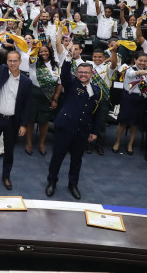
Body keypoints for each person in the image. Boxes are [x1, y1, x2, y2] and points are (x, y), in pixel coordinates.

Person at [45, 42, 103, 200]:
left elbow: (96, 113)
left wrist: (94, 132)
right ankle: (52, 182)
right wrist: (69, 57)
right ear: (77, 73)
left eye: (86, 72)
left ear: (91, 74)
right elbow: (64, 74)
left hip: (82, 130)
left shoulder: (97, 91)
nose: (83, 75)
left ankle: (73, 184)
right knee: (57, 157)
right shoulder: (71, 83)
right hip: (65, 128)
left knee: (76, 160)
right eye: (81, 72)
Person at [0, 39, 32, 190]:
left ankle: (6, 176)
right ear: (7, 62)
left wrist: (23, 124)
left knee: (9, 151)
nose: (12, 64)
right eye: (10, 61)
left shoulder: (26, 82)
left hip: (13, 121)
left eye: (15, 61)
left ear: (20, 62)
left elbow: (28, 106)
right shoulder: (1, 71)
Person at [112, 51, 147, 155]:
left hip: (141, 99)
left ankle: (130, 144)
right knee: (123, 122)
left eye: (145, 61)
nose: (142, 63)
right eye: (140, 60)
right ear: (135, 60)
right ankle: (117, 142)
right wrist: (141, 73)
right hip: (128, 98)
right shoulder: (130, 69)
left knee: (135, 124)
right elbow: (131, 74)